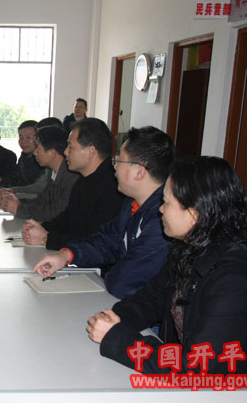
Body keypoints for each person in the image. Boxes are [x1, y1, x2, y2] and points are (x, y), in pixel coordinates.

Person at [87, 157, 247, 384]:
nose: (160, 209)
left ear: (194, 214)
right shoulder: (188, 249)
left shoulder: (236, 282)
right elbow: (151, 299)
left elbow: (197, 368)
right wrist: (116, 318)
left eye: (166, 203)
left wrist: (118, 339)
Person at [33, 126, 175, 299]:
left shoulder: (162, 219)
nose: (114, 166)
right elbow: (108, 241)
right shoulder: (132, 203)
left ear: (139, 172)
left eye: (119, 161)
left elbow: (124, 282)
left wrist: (102, 275)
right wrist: (67, 255)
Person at [23, 118, 124, 250]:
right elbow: (67, 218)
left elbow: (94, 240)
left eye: (70, 147)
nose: (65, 152)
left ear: (91, 151)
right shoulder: (83, 180)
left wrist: (47, 238)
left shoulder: (112, 188)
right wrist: (40, 228)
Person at [0, 125, 79, 223]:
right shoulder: (53, 171)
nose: (35, 153)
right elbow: (42, 200)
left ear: (52, 152)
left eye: (38, 148)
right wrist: (14, 201)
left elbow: (57, 213)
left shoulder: (71, 176)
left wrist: (19, 209)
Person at [0, 120, 45, 189]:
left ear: (38, 138)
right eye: (21, 137)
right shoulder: (25, 156)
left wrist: (1, 183)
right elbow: (15, 176)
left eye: (28, 137)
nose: (23, 141)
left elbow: (33, 187)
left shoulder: (43, 159)